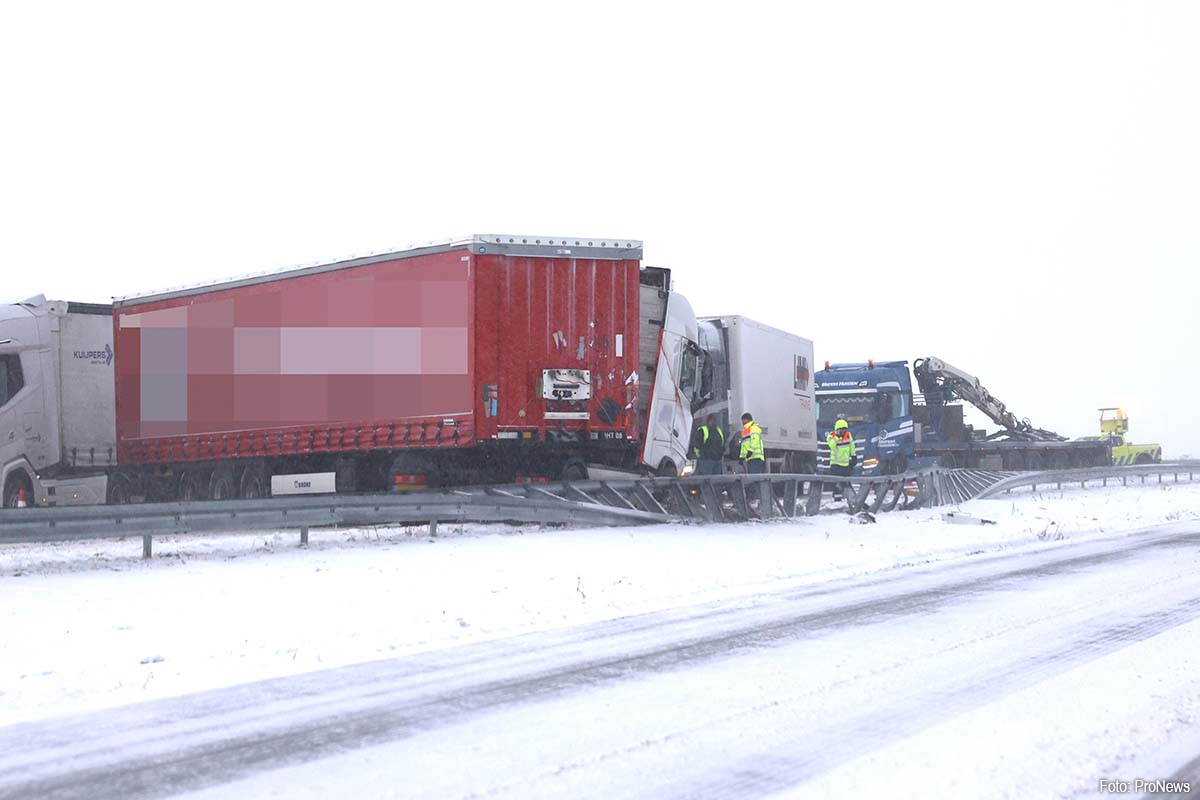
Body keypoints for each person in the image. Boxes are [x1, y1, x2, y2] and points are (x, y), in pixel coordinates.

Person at [827, 418, 856, 500]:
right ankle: (837, 497)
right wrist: (837, 438)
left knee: (846, 483)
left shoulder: (848, 436)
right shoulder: (831, 436)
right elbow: (832, 445)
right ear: (837, 430)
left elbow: (852, 446)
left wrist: (853, 456)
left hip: (845, 465)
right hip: (835, 465)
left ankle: (851, 498)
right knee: (836, 482)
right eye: (841, 431)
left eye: (844, 430)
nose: (843, 432)